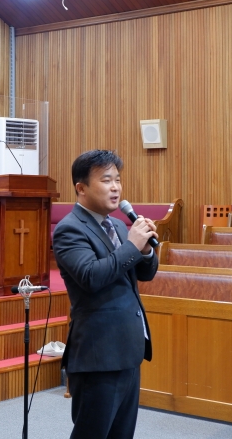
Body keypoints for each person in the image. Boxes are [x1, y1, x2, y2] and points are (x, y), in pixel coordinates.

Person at [52, 149, 159, 439]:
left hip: (128, 348)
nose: (115, 187)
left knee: (121, 434)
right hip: (99, 353)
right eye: (106, 180)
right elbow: (91, 276)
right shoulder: (69, 229)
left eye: (118, 180)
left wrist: (145, 251)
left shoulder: (118, 226)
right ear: (81, 188)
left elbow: (144, 274)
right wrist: (132, 246)